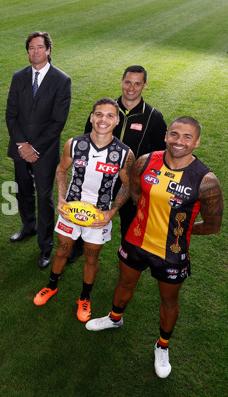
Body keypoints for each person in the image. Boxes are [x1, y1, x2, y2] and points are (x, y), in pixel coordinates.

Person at [86, 116, 223, 378]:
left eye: (187, 137)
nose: (179, 141)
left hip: (172, 253)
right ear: (165, 136)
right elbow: (136, 192)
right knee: (124, 284)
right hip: (136, 241)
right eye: (174, 134)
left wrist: (179, 229)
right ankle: (115, 318)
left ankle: (162, 345)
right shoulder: (145, 161)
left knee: (169, 300)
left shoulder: (206, 181)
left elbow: (213, 225)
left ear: (197, 141)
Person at [32, 98, 134, 322]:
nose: (103, 120)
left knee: (91, 258)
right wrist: (60, 198)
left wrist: (112, 212)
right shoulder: (74, 144)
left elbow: (127, 185)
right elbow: (61, 170)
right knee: (61, 251)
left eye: (109, 116)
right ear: (91, 117)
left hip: (99, 217)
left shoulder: (125, 154)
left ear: (117, 120)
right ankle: (51, 286)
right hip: (70, 212)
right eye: (98, 114)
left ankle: (84, 297)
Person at [69, 65, 167, 263]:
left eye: (137, 83)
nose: (131, 87)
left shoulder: (153, 117)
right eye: (128, 82)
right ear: (122, 82)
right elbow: (87, 138)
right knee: (86, 212)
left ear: (144, 85)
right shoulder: (105, 110)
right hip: (98, 177)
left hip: (130, 183)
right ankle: (78, 245)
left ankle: (127, 256)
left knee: (129, 222)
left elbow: (159, 155)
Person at [6, 31, 72, 270]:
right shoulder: (18, 76)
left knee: (44, 198)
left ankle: (45, 247)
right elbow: (11, 114)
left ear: (48, 50)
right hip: (20, 148)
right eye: (31, 48)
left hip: (44, 151)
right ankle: (28, 226)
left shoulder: (61, 80)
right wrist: (23, 146)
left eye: (39, 47)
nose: (35, 52)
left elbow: (58, 121)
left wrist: (34, 148)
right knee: (23, 191)